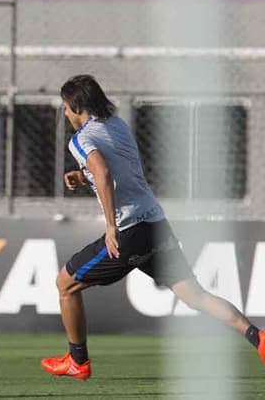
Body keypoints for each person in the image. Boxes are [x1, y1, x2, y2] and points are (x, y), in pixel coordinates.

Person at [41, 74, 265, 380]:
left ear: (76, 105)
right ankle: (258, 338)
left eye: (66, 107)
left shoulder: (80, 140)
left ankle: (77, 361)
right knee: (194, 296)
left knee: (65, 284)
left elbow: (104, 173)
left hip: (128, 230)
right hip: (155, 223)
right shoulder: (117, 124)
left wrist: (110, 226)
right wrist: (84, 177)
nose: (65, 113)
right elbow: (120, 168)